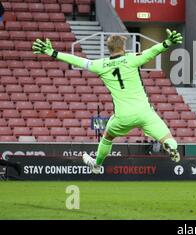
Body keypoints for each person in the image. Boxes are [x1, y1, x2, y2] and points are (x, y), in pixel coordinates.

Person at [32, 30, 183, 174]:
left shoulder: (100, 65)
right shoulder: (132, 58)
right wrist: (168, 42)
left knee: (107, 137)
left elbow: (78, 61)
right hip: (145, 112)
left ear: (109, 49)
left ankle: (97, 165)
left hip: (122, 116)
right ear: (123, 47)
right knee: (167, 138)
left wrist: (53, 52)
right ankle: (170, 146)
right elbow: (152, 51)